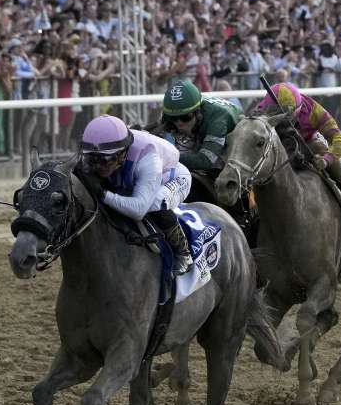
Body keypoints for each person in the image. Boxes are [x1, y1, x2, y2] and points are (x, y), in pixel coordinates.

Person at [78, 115, 194, 275]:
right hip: (135, 178)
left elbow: (139, 210)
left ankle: (183, 252)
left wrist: (103, 194)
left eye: (106, 159)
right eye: (93, 159)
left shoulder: (148, 159)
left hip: (172, 178)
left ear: (122, 153)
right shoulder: (98, 151)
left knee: (154, 204)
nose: (99, 166)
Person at [256, 81, 341, 208]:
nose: (282, 118)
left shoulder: (314, 110)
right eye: (277, 114)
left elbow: (340, 140)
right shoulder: (260, 110)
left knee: (319, 146)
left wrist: (326, 160)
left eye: (287, 114)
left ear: (299, 107)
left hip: (306, 144)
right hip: (277, 145)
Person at [160, 78, 241, 177]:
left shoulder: (217, 121)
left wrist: (168, 158)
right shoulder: (182, 109)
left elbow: (205, 161)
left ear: (198, 112)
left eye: (185, 117)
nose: (179, 123)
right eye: (173, 118)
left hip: (235, 142)